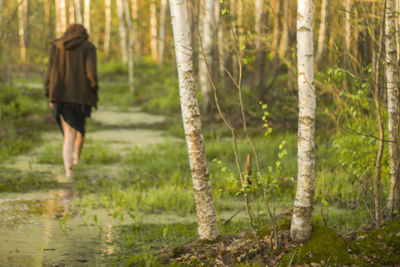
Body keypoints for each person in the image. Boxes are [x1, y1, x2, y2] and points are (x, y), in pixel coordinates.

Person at [44, 24, 98, 178]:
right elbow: (92, 73)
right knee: (78, 132)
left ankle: (71, 169)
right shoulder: (88, 47)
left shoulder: (56, 46)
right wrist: (93, 90)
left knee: (69, 135)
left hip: (59, 96)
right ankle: (73, 164)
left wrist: (48, 93)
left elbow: (49, 71)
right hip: (80, 97)